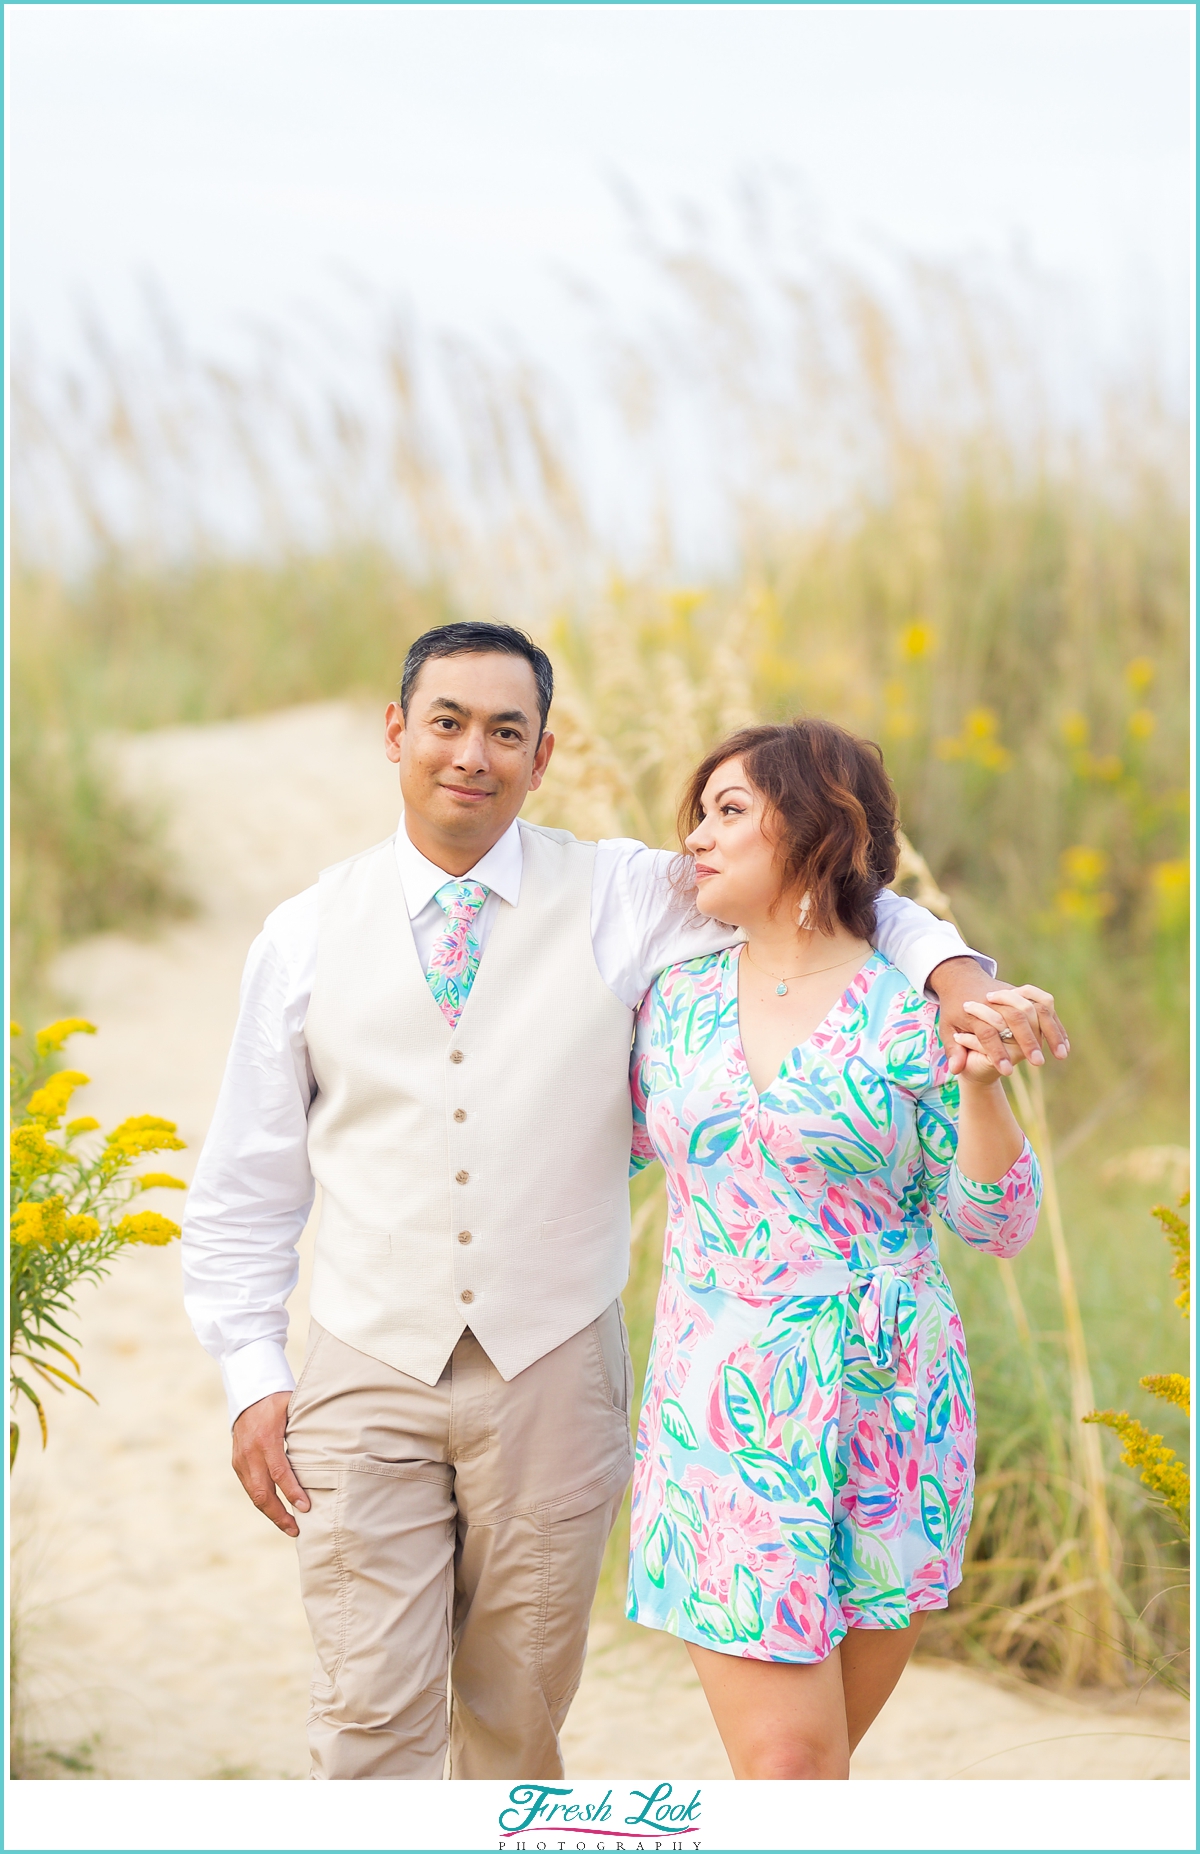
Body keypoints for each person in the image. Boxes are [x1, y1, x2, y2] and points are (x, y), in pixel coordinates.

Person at [181, 621, 1068, 1782]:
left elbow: (837, 898)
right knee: (367, 1716)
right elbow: (248, 1176)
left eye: (508, 731)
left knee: (520, 1717)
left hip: (593, 1372)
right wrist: (253, 1372)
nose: (473, 753)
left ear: (543, 757)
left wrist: (957, 977)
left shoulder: (626, 895)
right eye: (446, 722)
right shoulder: (301, 935)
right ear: (397, 733)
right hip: (375, 1361)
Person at [626, 717, 1046, 1779]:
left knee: (815, 1777)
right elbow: (590, 1157)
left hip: (888, 1415)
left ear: (815, 827)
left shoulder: (915, 1009)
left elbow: (998, 1222)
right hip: (722, 1414)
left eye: (730, 813)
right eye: (698, 815)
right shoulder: (667, 1005)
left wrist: (983, 1088)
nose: (698, 841)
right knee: (789, 1768)